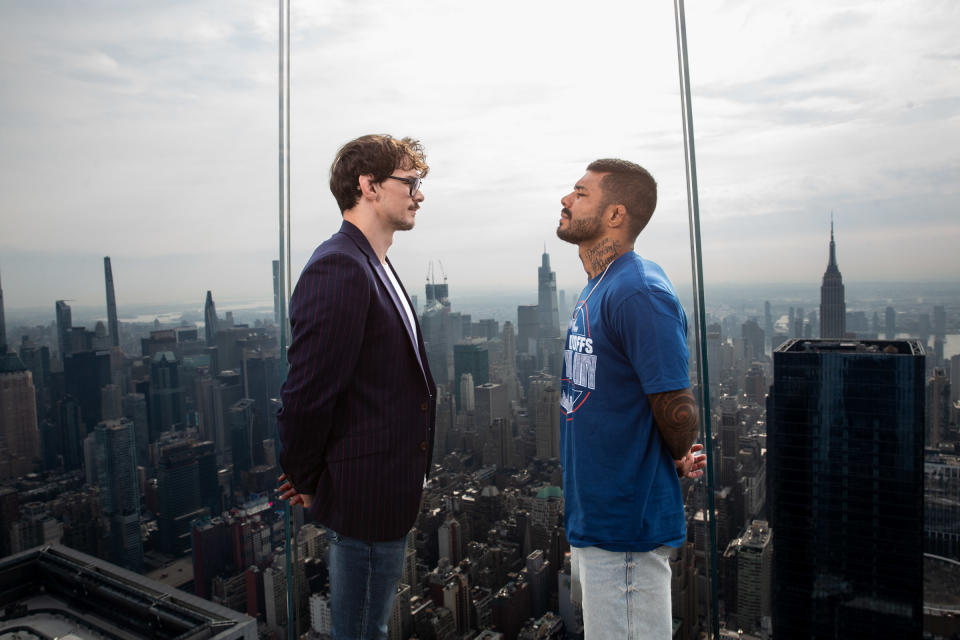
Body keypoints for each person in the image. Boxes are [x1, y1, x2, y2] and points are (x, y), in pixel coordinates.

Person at [276, 134, 436, 639]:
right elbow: (308, 394)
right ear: (368, 186)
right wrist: (305, 478)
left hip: (383, 497)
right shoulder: (340, 265)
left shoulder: (376, 264)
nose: (419, 194)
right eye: (409, 182)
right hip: (366, 501)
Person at [556, 158, 705, 638]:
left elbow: (677, 408)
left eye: (580, 192)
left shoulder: (638, 291)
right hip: (598, 527)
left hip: (625, 534)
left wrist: (676, 451)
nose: (565, 199)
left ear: (616, 215)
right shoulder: (599, 286)